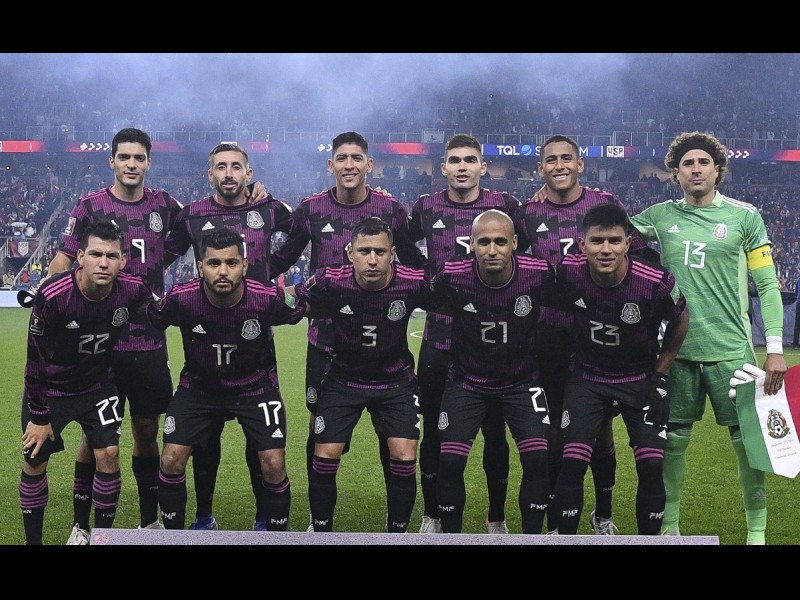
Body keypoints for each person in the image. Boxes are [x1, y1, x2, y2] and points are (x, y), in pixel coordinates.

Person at [629, 131, 787, 545]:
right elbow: (609, 233)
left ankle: (756, 534)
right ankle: (670, 529)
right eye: (687, 163)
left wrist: (774, 349)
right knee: (673, 443)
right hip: (676, 352)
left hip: (732, 353)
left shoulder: (744, 216)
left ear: (718, 170)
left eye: (703, 162)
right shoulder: (658, 217)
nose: (696, 169)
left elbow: (767, 286)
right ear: (675, 173)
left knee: (747, 445)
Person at [269, 131, 427, 530]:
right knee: (320, 428)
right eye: (342, 158)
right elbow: (281, 259)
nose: (350, 165)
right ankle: (318, 517)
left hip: (384, 337)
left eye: (357, 158)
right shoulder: (311, 209)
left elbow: (413, 263)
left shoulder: (391, 210)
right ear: (331, 165)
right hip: (326, 342)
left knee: (391, 432)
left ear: (369, 164)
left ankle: (396, 520)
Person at [45, 128, 184, 533]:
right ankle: (81, 529)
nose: (131, 164)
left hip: (148, 340)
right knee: (95, 438)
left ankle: (149, 525)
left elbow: (201, 221)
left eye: (139, 157)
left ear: (148, 163)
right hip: (99, 345)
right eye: (124, 157)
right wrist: (50, 299)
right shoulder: (90, 205)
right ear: (112, 161)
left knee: (146, 429)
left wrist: (251, 195)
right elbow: (64, 258)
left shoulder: (165, 204)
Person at [521, 134, 658, 534]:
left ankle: (603, 513)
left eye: (567, 158)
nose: (559, 165)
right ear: (540, 168)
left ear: (580, 164)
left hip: (597, 337)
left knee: (599, 433)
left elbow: (638, 254)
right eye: (551, 160)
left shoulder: (605, 203)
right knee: (554, 433)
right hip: (549, 337)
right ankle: (556, 521)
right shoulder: (527, 211)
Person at [164, 142, 290, 531]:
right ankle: (203, 516)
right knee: (204, 437)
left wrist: (271, 271)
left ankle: (264, 519)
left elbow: (307, 232)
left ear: (249, 173)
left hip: (253, 332)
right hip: (205, 330)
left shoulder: (268, 207)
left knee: (261, 444)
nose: (229, 173)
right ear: (210, 174)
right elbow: (161, 256)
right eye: (221, 167)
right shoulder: (192, 214)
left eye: (237, 166)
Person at [408, 133, 526, 534]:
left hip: (491, 344)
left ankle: (497, 517)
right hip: (440, 339)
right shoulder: (426, 207)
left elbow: (524, 249)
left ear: (483, 167)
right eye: (455, 160)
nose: (462, 167)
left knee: (495, 433)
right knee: (433, 432)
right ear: (443, 168)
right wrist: (427, 274)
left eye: (470, 160)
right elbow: (401, 242)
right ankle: (432, 514)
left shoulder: (505, 206)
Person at [149, 228, 305, 530]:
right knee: (170, 460)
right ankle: (174, 537)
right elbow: (148, 315)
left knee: (273, 463)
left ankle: (273, 535)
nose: (223, 271)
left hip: (255, 387)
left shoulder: (266, 298)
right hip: (199, 389)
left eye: (231, 263)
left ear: (244, 266)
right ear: (200, 266)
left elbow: (307, 306)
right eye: (214, 263)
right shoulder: (181, 299)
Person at [549, 203, 689, 535]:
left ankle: (648, 542)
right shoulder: (567, 271)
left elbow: (681, 318)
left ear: (627, 243)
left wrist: (661, 374)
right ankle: (565, 538)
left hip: (639, 378)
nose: (606, 249)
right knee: (572, 462)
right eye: (597, 241)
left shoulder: (655, 281)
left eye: (614, 240)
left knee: (652, 465)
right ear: (582, 244)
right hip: (587, 377)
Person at [19, 220, 152, 545]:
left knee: (109, 454)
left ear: (123, 260)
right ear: (80, 256)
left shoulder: (133, 290)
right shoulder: (54, 296)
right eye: (95, 254)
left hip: (97, 386)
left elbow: (161, 312)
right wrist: (39, 417)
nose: (103, 263)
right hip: (51, 389)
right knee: (35, 460)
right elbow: (34, 361)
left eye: (111, 255)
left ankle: (98, 537)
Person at [430, 209, 552, 534]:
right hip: (466, 381)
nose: (492, 250)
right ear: (471, 244)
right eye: (484, 242)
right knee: (450, 461)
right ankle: (451, 539)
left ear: (515, 243)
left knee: (537, 459)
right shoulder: (451, 275)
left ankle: (530, 540)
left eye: (500, 241)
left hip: (522, 381)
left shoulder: (539, 273)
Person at [793, 271, 800, 347]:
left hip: (799, 302)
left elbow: (796, 292)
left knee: (797, 323)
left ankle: (795, 344)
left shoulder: (798, 279)